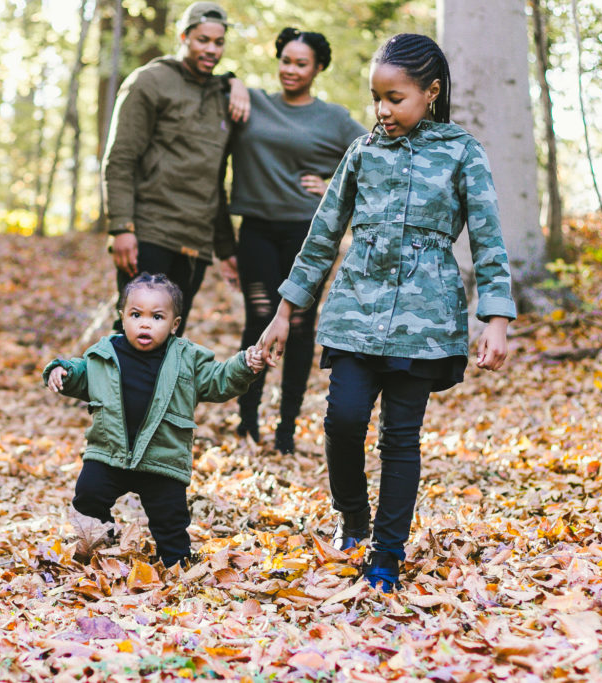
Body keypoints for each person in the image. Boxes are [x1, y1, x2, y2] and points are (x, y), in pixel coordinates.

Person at [258, 33, 517, 592]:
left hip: (424, 326)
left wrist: (494, 318)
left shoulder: (461, 151)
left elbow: (490, 238)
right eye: (376, 97)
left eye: (395, 98)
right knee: (343, 420)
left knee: (401, 438)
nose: (382, 110)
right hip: (355, 314)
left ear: (431, 92)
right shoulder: (362, 152)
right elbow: (322, 236)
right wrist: (285, 311)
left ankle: (386, 555)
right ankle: (352, 518)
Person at [43, 273, 265, 567]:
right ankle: (99, 542)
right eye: (136, 315)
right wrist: (62, 371)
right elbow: (81, 374)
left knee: (170, 520)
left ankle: (176, 564)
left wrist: (244, 365)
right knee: (88, 496)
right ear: (123, 318)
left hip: (163, 458)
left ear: (174, 324)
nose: (145, 323)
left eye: (157, 317)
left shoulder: (186, 358)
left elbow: (219, 380)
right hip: (109, 453)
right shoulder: (104, 355)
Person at [229, 28, 368, 454]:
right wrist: (232, 79)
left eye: (301, 63)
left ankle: (286, 428)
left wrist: (329, 182)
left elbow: (376, 153)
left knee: (302, 325)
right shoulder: (254, 102)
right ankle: (247, 419)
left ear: (318, 68)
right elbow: (214, 83)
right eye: (285, 61)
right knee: (259, 318)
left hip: (308, 234)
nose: (291, 70)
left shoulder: (334, 118)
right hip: (255, 228)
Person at [102, 2, 250, 336]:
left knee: (169, 338)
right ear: (183, 36)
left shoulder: (222, 95)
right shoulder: (149, 82)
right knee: (134, 336)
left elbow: (214, 180)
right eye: (202, 40)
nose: (211, 49)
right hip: (150, 232)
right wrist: (121, 227)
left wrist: (226, 250)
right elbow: (120, 158)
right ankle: (109, 389)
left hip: (194, 243)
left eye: (218, 42)